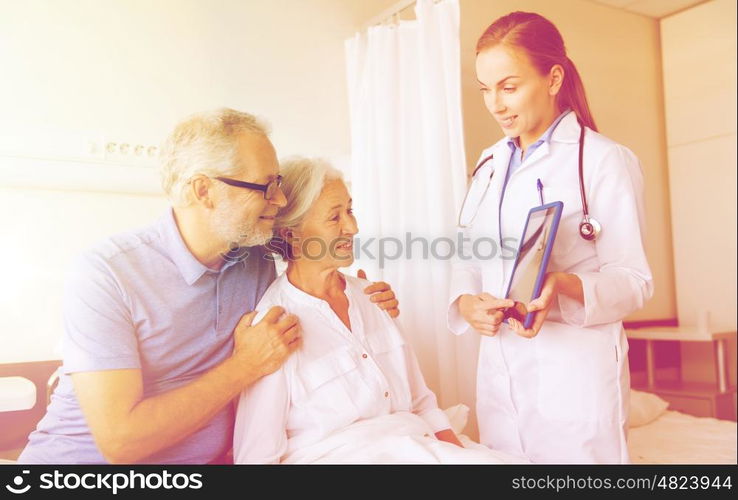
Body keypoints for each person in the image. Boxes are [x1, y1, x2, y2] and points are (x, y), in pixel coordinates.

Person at [18, 109, 399, 464]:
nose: (279, 200)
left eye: (278, 184)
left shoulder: (255, 254)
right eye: (266, 187)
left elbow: (313, 248)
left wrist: (357, 298)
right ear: (204, 191)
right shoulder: (107, 273)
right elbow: (121, 441)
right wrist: (244, 366)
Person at [448, 12, 653, 463]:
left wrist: (563, 285)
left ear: (554, 77)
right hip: (500, 368)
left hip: (575, 375)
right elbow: (468, 255)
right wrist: (467, 302)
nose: (495, 105)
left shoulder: (603, 161)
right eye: (485, 89)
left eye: (509, 86)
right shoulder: (489, 163)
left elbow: (635, 280)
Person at [233, 157, 525, 464]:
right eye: (335, 218)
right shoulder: (272, 328)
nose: (353, 227)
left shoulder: (371, 298)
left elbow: (423, 403)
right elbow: (257, 457)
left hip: (420, 449)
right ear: (292, 234)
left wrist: (461, 456)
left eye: (350, 211)